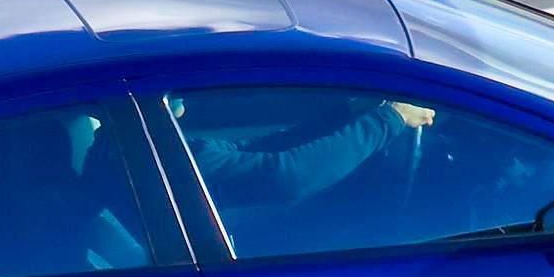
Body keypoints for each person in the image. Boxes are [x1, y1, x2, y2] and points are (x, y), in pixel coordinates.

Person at [179, 96, 434, 209]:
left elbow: (254, 150)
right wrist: (391, 118)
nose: (182, 110)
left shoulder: (162, 146)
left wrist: (347, 114)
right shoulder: (166, 160)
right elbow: (286, 177)